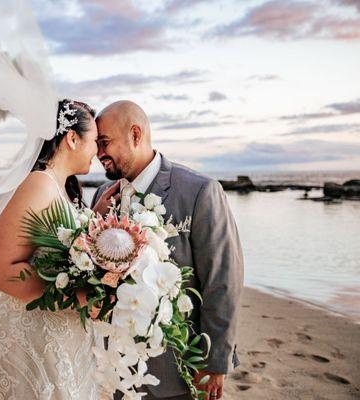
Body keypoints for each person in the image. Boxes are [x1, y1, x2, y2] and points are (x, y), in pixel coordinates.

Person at [92, 100, 244, 400]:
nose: (98, 154)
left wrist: (214, 361)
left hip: (179, 368)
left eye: (104, 143)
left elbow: (223, 280)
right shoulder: (101, 196)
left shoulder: (199, 191)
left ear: (135, 135)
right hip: (119, 367)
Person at [0, 99, 100, 399]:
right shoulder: (38, 184)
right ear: (72, 138)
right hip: (25, 330)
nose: (97, 151)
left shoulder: (59, 186)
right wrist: (79, 295)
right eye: (94, 140)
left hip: (51, 330)